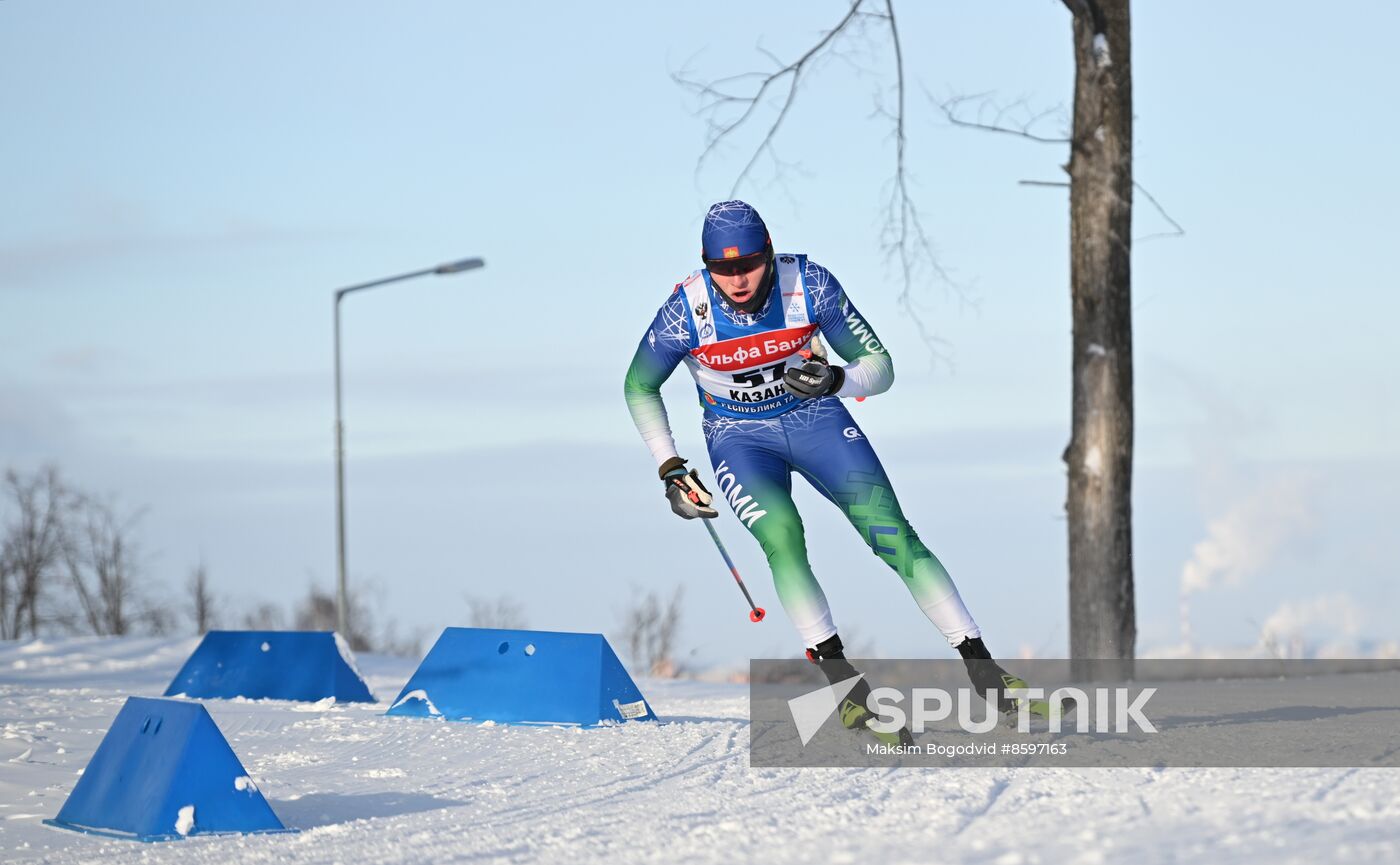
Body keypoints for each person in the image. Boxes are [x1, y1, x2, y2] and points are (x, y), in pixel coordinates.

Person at [623, 200, 1049, 744]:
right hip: (739, 439)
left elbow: (882, 367)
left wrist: (836, 381)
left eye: (747, 264)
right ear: (705, 265)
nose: (736, 279)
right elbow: (639, 385)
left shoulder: (810, 284)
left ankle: (986, 673)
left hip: (817, 421)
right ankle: (845, 690)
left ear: (769, 252)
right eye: (721, 268)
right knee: (782, 537)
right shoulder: (687, 309)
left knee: (892, 535)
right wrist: (670, 466)